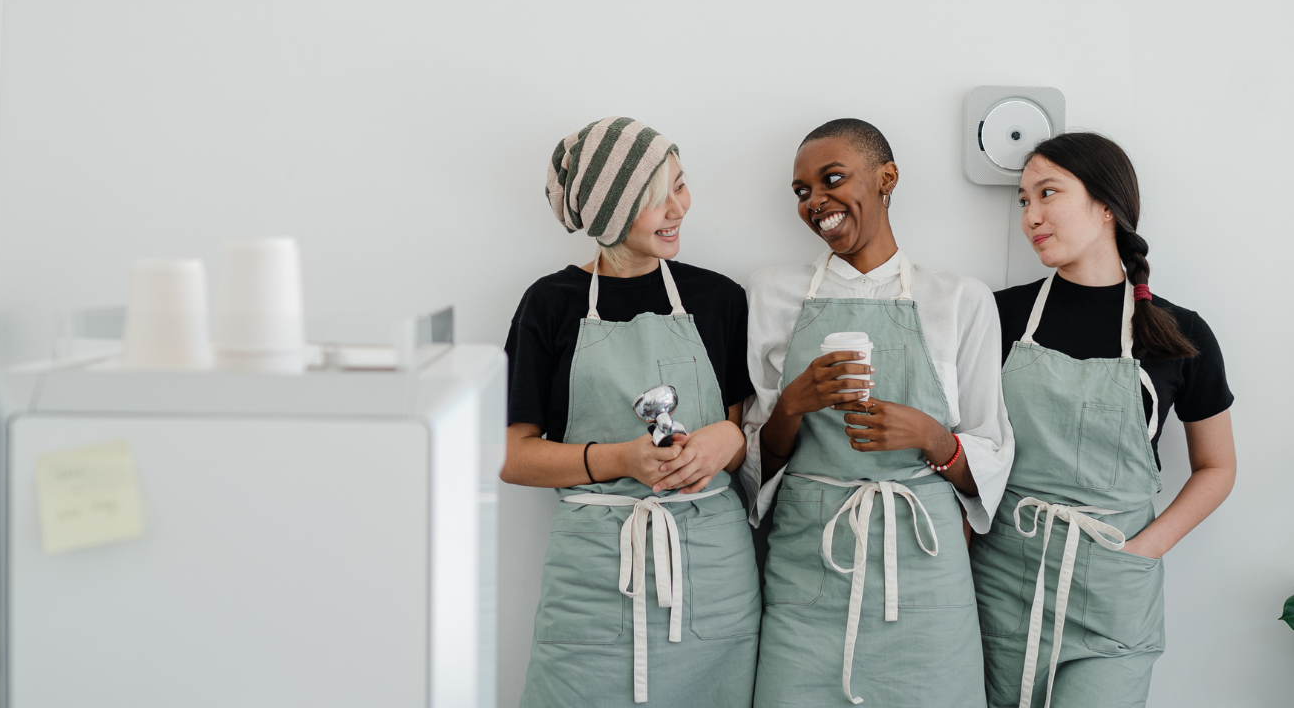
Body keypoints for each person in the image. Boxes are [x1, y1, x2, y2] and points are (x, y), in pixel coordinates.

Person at [743, 118, 1013, 707]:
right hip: (807, 571)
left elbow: (991, 456)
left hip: (924, 570)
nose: (816, 201)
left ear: (887, 178)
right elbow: (753, 465)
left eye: (831, 179)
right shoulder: (771, 293)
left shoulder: (960, 299)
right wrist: (795, 402)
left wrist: (931, 438)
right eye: (802, 191)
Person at [502, 117, 761, 707]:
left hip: (710, 571)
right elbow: (514, 455)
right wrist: (621, 459)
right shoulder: (549, 304)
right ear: (611, 213)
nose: (680, 207)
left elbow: (746, 431)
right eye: (656, 197)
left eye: (681, 184)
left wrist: (728, 439)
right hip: (593, 576)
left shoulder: (719, 299)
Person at [972, 132, 1236, 708]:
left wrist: (1144, 549)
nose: (1030, 217)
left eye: (1047, 194)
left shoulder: (1179, 332)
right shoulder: (997, 314)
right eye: (1023, 201)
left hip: (1114, 592)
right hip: (1002, 583)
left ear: (1107, 204)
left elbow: (1217, 467)